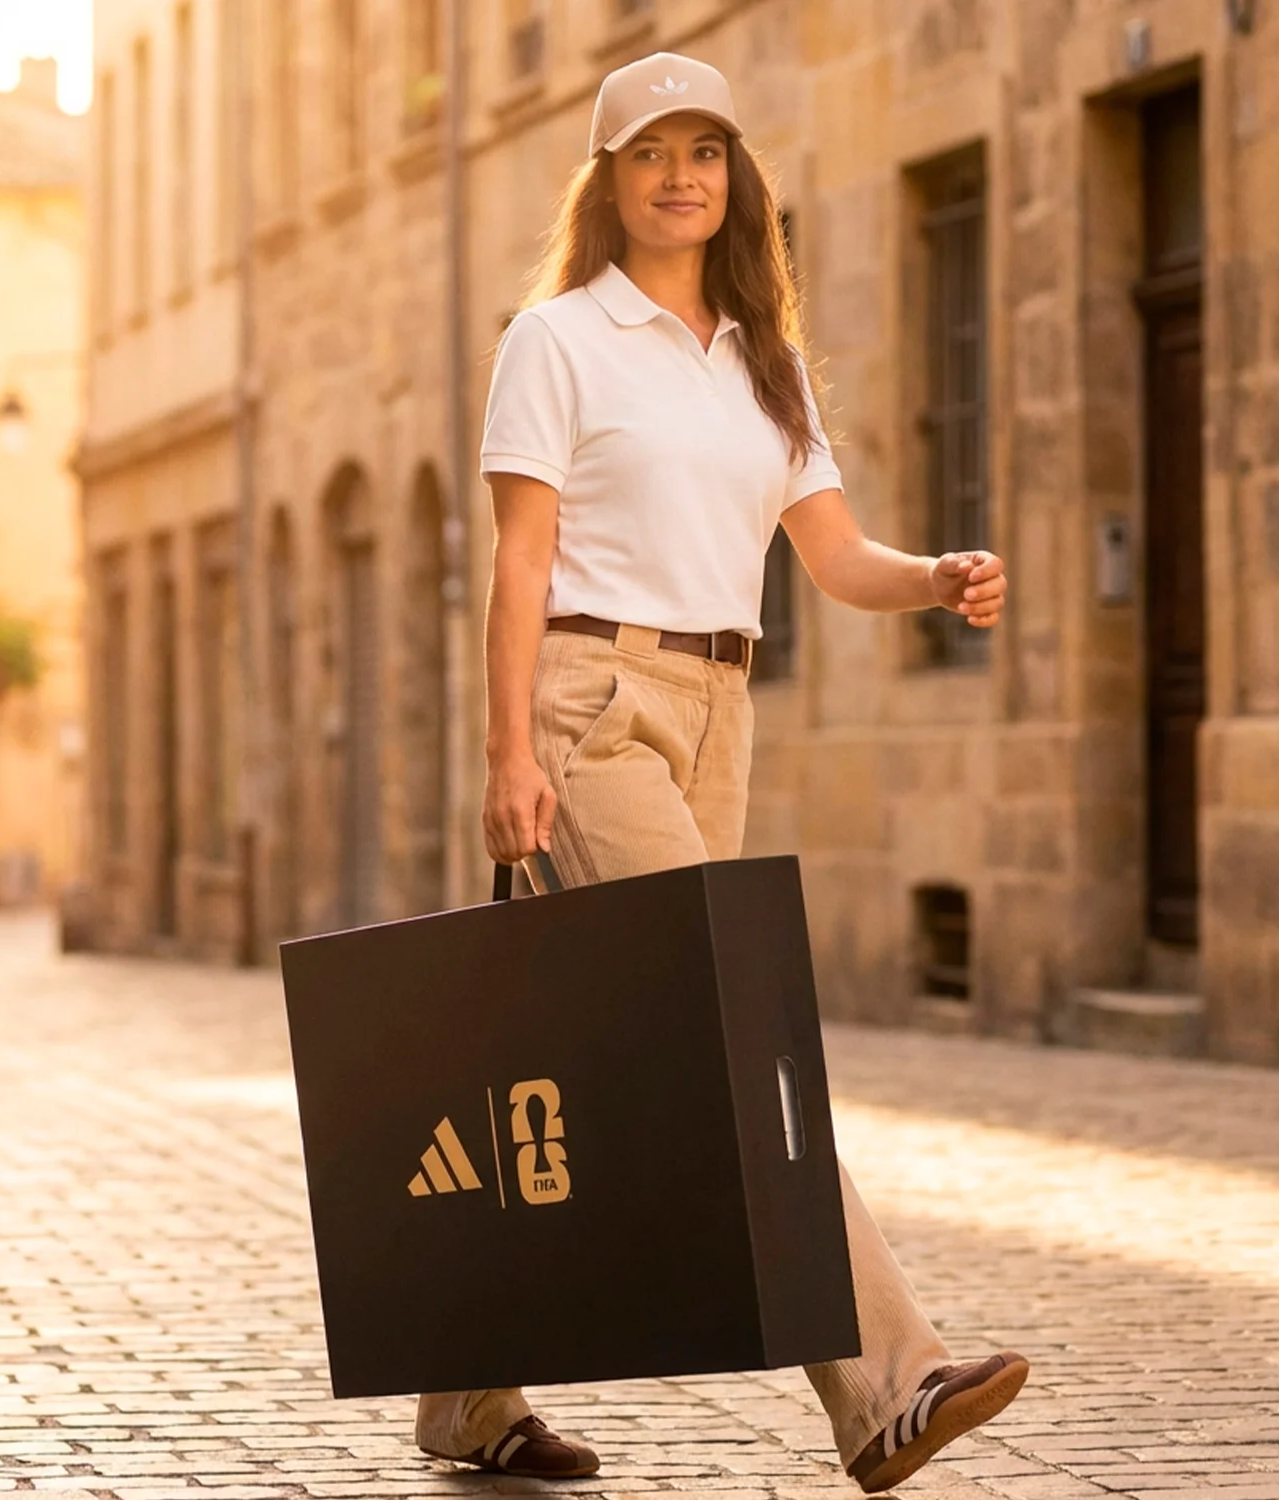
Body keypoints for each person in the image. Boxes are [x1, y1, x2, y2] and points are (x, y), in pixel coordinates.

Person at [415, 51, 1028, 1497]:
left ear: (735, 177)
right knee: (739, 1036)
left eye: (705, 150)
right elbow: (515, 560)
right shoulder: (556, 339)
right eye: (650, 152)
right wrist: (507, 750)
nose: (680, 174)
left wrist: (936, 578)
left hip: (719, 709)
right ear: (608, 179)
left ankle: (466, 1397)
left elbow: (831, 555)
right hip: (593, 700)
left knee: (591, 1062)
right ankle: (887, 1385)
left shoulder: (767, 359)